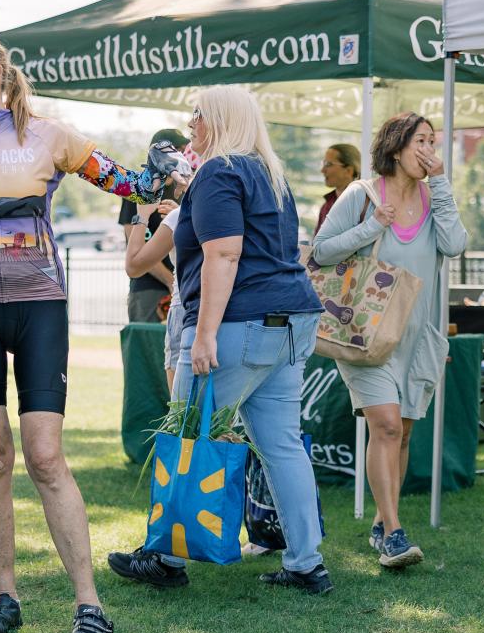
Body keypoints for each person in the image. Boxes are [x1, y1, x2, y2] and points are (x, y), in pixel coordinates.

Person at [0, 31, 183, 633]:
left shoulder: (49, 135)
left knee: (43, 456)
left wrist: (165, 164)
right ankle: (4, 595)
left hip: (39, 307)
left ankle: (88, 603)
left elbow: (133, 186)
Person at [108, 87, 331, 595]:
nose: (190, 125)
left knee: (190, 432)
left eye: (197, 115)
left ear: (221, 120)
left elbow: (224, 255)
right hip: (292, 321)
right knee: (282, 446)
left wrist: (204, 333)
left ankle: (165, 558)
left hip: (240, 325)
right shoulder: (268, 173)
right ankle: (306, 564)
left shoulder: (219, 171)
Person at [312, 112, 468, 568]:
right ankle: (395, 535)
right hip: (366, 333)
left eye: (433, 142)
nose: (429, 150)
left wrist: (440, 185)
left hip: (417, 337)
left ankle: (383, 521)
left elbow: (455, 244)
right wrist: (373, 226)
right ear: (397, 147)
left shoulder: (433, 194)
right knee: (386, 426)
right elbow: (321, 251)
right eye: (421, 140)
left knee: (403, 434)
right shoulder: (361, 196)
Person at [123, 177, 190, 394]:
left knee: (182, 409)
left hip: (187, 310)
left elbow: (134, 265)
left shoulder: (179, 217)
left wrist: (142, 216)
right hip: (223, 313)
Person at [119, 128, 189, 323]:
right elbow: (134, 245)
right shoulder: (140, 186)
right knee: (147, 349)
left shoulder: (183, 188)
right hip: (147, 287)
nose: (181, 155)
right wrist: (169, 280)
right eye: (176, 149)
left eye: (183, 150)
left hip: (182, 288)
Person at [317, 142, 362, 230]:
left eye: (328, 164)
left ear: (349, 171)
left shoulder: (362, 206)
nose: (322, 170)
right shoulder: (326, 206)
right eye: (323, 164)